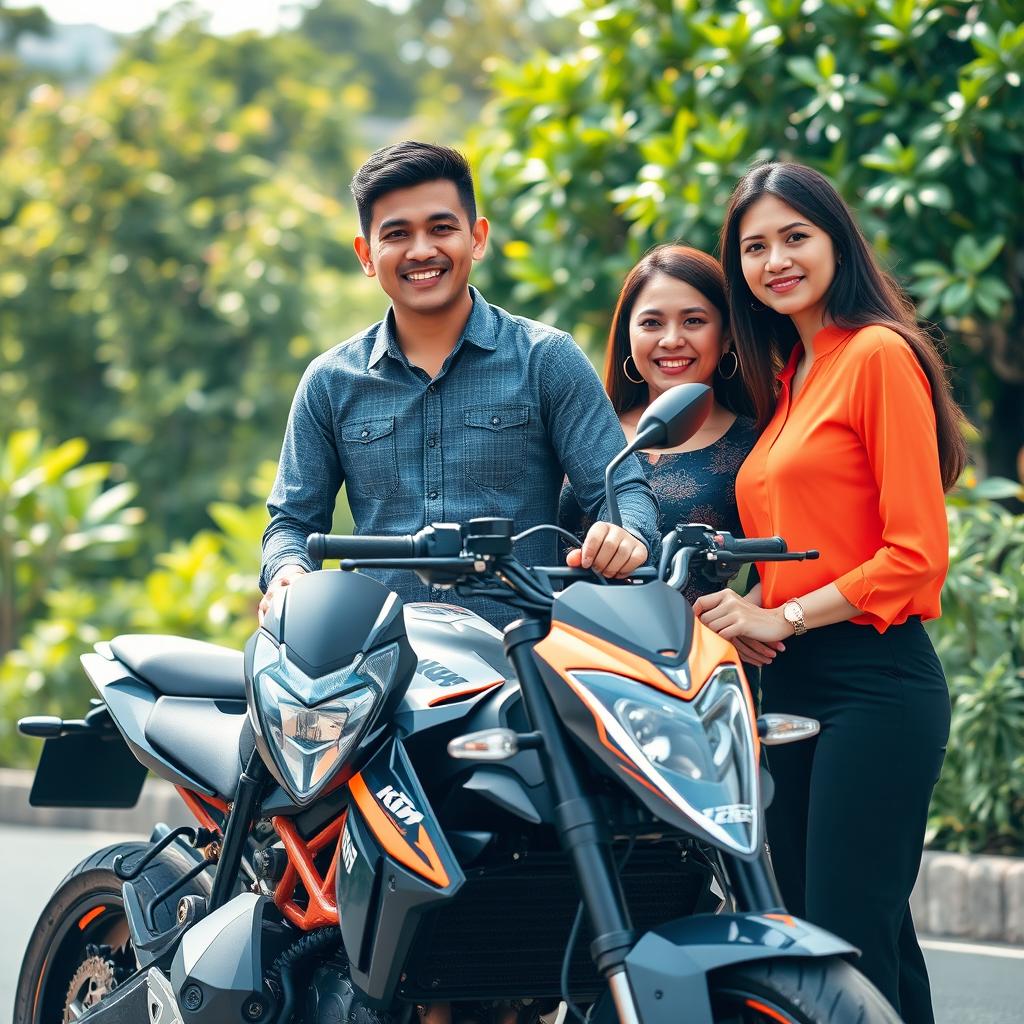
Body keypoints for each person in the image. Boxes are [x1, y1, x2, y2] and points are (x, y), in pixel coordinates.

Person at [695, 161, 965, 1022]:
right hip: (792, 683)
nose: (776, 260)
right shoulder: (787, 382)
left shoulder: (877, 356)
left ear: (835, 240)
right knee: (844, 940)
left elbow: (916, 555)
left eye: (794, 237)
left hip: (875, 682)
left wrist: (782, 613)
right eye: (754, 246)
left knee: (842, 944)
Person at [259, 142, 659, 627]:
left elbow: (622, 491)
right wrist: (286, 571)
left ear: (477, 237)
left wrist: (626, 533)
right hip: (381, 663)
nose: (422, 250)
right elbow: (293, 523)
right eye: (398, 234)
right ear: (367, 254)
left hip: (522, 662)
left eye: (441, 228)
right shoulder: (330, 382)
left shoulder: (546, 359)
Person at [559, 245, 776, 647]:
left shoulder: (760, 441)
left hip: (696, 666)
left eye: (693, 321)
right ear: (629, 335)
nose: (672, 340)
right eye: (652, 323)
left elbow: (793, 555)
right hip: (570, 660)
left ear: (727, 335)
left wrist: (752, 610)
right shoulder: (581, 428)